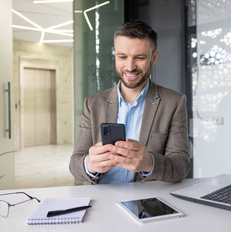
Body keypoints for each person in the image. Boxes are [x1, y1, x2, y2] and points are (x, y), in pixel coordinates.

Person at [69, 20, 190, 185]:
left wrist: (149, 162)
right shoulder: (93, 104)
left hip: (146, 205)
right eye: (122, 57)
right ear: (115, 56)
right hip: (100, 201)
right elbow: (75, 164)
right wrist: (89, 164)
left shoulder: (173, 103)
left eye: (139, 57)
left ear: (154, 58)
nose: (130, 66)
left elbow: (181, 166)